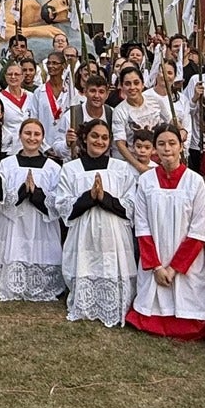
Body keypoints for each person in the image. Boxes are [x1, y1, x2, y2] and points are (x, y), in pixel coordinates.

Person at [126, 126, 205, 339]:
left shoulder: (195, 181)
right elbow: (143, 225)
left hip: (185, 261)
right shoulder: (146, 180)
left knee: (187, 299)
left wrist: (174, 268)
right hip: (155, 255)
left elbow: (199, 229)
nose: (167, 149)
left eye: (172, 143)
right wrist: (156, 266)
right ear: (155, 148)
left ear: (181, 147)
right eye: (162, 144)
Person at [55, 118, 135, 325]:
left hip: (114, 231)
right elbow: (63, 205)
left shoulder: (121, 168)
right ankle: (86, 302)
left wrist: (104, 198)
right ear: (84, 138)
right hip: (84, 230)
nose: (100, 141)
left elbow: (131, 203)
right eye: (95, 136)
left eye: (105, 138)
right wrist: (89, 197)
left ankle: (114, 302)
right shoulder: (71, 169)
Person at [0, 119, 64, 301]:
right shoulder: (8, 164)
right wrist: (22, 192)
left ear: (43, 138)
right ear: (20, 135)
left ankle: (41, 284)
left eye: (37, 134)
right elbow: (0, 196)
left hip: (41, 224)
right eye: (27, 133)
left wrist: (37, 194)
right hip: (13, 223)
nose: (32, 138)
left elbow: (58, 201)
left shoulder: (53, 167)